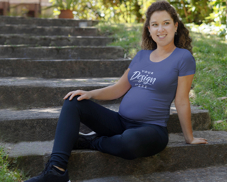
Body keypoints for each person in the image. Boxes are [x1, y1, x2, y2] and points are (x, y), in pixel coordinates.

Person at [25, 1, 207, 182]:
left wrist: (189, 138)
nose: (161, 29)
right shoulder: (141, 56)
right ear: (149, 30)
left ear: (175, 26)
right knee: (73, 101)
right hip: (120, 122)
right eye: (155, 24)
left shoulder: (183, 57)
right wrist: (90, 94)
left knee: (129, 141)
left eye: (166, 23)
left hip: (151, 130)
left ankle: (90, 141)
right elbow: (119, 88)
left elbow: (182, 100)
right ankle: (56, 171)